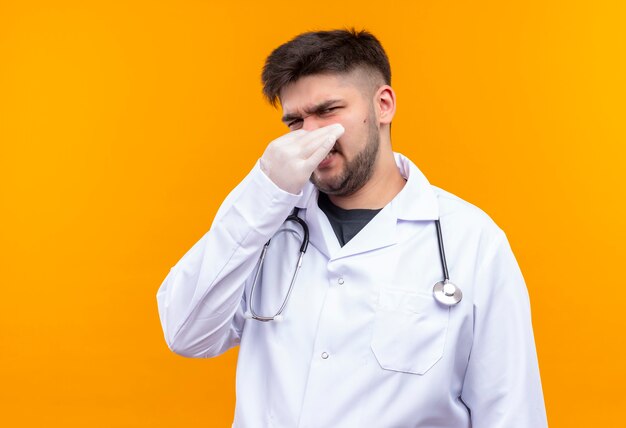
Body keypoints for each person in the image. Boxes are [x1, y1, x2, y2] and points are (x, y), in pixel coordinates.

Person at [157, 29, 547, 427]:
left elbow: (511, 410)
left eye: (327, 111)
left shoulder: (472, 241)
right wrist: (264, 191)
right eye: (295, 121)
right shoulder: (264, 225)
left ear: (383, 105)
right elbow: (186, 332)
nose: (312, 136)